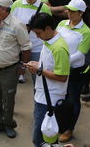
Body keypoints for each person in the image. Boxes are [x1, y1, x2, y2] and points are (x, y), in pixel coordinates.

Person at [0, 0, 30, 138]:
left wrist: (22, 68)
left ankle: (8, 124)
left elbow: (26, 48)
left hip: (9, 70)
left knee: (8, 100)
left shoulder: (17, 25)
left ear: (4, 9)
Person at [25, 12, 70, 146]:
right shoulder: (48, 40)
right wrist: (38, 66)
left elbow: (62, 77)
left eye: (39, 33)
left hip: (50, 99)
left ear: (48, 29)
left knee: (41, 139)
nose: (38, 37)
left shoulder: (59, 48)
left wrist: (39, 70)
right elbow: (50, 66)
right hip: (42, 94)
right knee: (45, 138)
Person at [55, 0, 90, 143]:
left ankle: (69, 129)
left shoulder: (86, 32)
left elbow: (80, 55)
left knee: (73, 100)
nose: (68, 13)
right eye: (68, 10)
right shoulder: (61, 24)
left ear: (81, 13)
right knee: (59, 97)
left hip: (74, 71)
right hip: (59, 68)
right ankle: (59, 124)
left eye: (72, 11)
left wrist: (62, 61)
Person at [11, 0, 52, 84]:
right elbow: (11, 23)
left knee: (37, 76)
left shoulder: (44, 8)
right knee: (13, 74)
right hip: (18, 45)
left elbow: (49, 28)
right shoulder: (16, 4)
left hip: (37, 46)